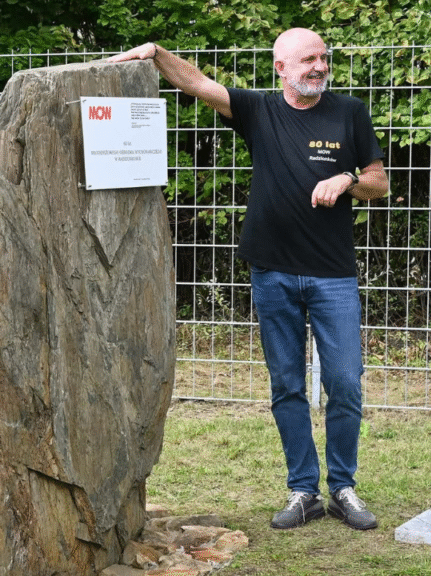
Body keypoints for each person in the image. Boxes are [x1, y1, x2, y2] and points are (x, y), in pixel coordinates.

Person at [108, 28, 389, 531]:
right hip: (272, 272)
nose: (319, 66)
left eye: (324, 58)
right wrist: (156, 53)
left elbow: (379, 182)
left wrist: (347, 179)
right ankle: (303, 490)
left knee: (345, 383)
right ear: (281, 68)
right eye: (308, 59)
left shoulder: (349, 112)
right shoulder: (259, 110)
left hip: (333, 276)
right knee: (287, 384)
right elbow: (197, 83)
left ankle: (343, 487)